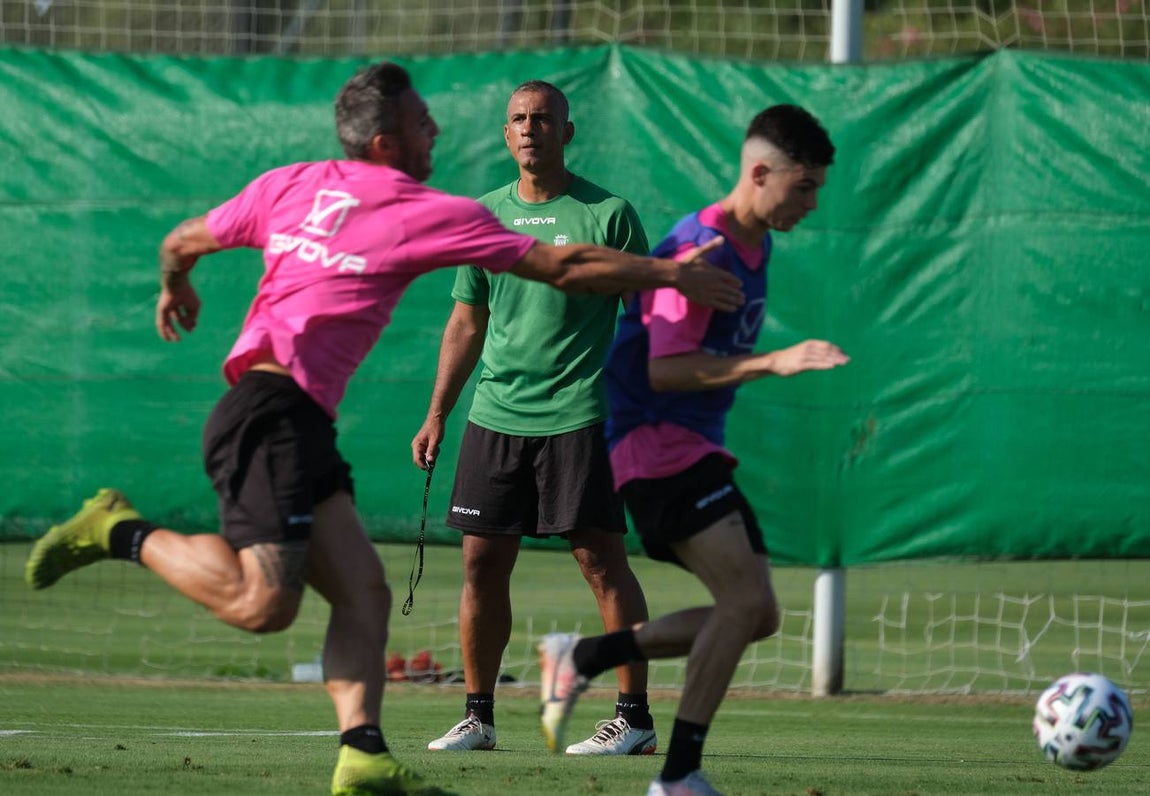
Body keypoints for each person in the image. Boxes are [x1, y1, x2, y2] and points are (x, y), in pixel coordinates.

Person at [22, 61, 746, 796]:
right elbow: (559, 266)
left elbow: (181, 240)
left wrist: (177, 282)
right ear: (383, 142)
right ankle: (117, 530)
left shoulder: (289, 183)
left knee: (365, 591)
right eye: (422, 121)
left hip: (305, 421)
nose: (436, 129)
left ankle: (363, 751)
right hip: (268, 411)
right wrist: (669, 275)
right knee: (263, 605)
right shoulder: (428, 209)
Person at [537, 104, 849, 796]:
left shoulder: (757, 244)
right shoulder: (698, 246)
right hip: (653, 444)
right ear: (760, 171)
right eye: (805, 186)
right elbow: (663, 371)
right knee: (743, 605)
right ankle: (677, 777)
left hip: (693, 446)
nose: (813, 202)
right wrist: (773, 363)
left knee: (757, 613)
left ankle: (585, 656)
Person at [412, 80, 657, 756]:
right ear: (505, 133)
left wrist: (643, 411)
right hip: (495, 418)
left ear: (566, 132)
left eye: (543, 118)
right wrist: (438, 413)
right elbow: (467, 319)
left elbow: (647, 322)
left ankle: (633, 718)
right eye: (518, 118)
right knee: (480, 566)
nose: (529, 129)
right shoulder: (482, 216)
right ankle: (478, 717)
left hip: (578, 416)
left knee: (601, 564)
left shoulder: (608, 214)